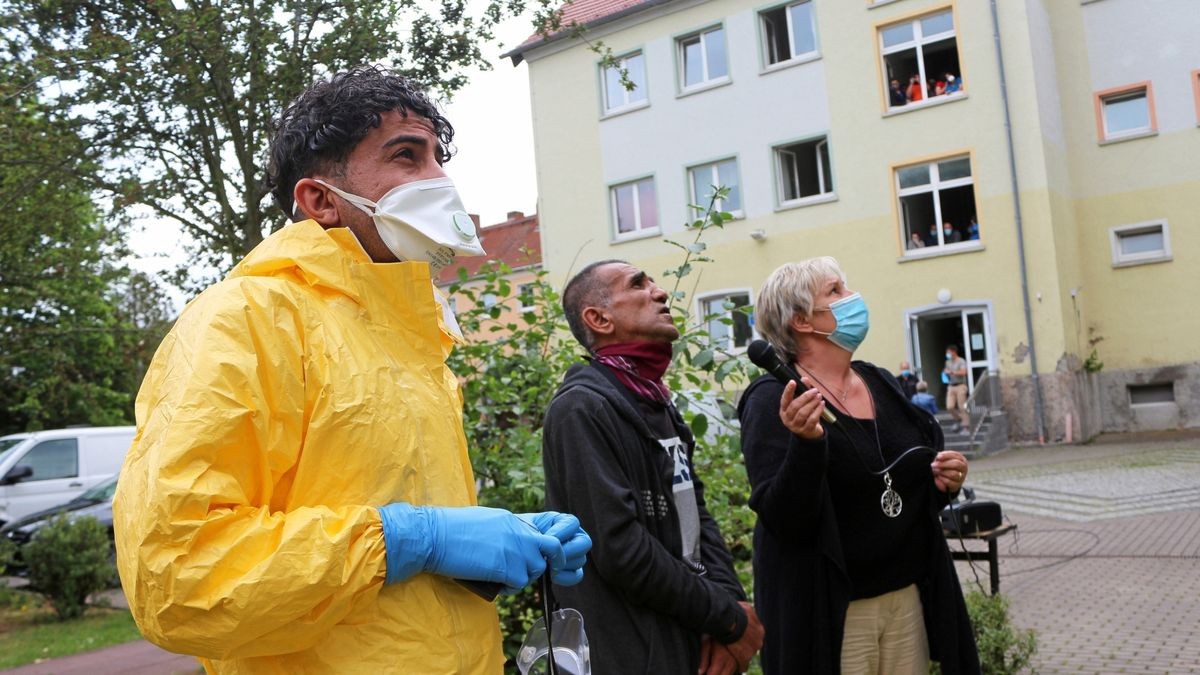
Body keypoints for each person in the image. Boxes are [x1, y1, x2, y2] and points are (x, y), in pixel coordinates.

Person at [112, 65, 591, 674]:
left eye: (438, 158)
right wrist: (410, 540)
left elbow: (396, 519)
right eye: (406, 156)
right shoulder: (246, 321)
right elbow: (179, 577)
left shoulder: (414, 339)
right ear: (320, 200)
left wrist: (500, 537)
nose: (439, 179)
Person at [738, 257, 978, 675]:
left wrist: (943, 482)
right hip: (834, 611)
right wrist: (806, 444)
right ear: (801, 321)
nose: (852, 298)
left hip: (905, 597)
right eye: (835, 292)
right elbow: (784, 518)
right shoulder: (775, 398)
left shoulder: (879, 381)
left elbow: (905, 478)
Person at [542, 260, 764, 674]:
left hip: (688, 638)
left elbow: (695, 517)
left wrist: (728, 611)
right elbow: (622, 551)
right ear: (599, 318)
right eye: (638, 284)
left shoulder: (654, 402)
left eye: (655, 283)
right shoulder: (581, 410)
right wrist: (727, 618)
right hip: (632, 654)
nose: (660, 292)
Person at [943, 344, 971, 431]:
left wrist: (952, 372)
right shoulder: (947, 362)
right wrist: (945, 373)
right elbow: (946, 371)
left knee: (962, 407)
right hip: (951, 386)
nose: (947, 354)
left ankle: (966, 426)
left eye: (948, 352)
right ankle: (959, 419)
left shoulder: (961, 361)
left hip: (960, 385)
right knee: (949, 406)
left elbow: (963, 372)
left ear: (954, 352)